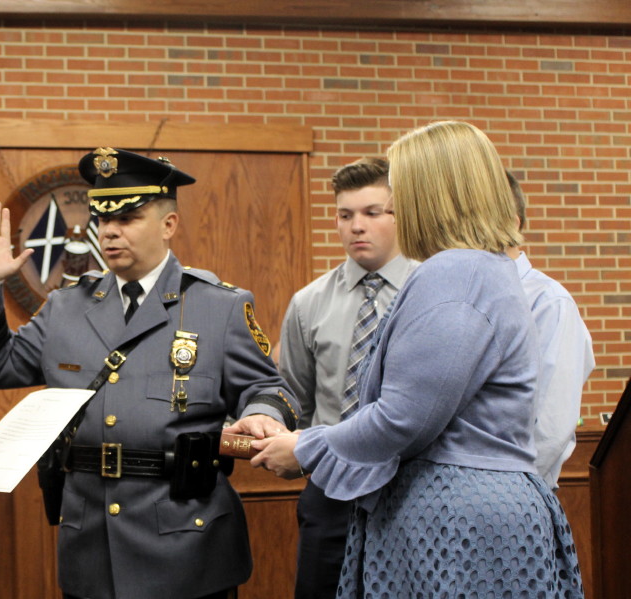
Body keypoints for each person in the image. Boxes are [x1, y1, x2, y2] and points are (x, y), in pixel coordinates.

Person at [230, 121, 583, 597]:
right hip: (464, 508)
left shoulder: (455, 272)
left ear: (427, 194)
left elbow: (404, 417)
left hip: (455, 517)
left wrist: (306, 448)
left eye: (395, 197)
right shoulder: (484, 266)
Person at [0, 148, 300, 599]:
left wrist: (263, 412)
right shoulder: (66, 307)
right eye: (102, 219)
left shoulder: (219, 306)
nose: (110, 231)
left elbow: (268, 386)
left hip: (187, 545)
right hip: (91, 546)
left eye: (128, 218)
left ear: (168, 225)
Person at [276, 157, 419, 599]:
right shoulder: (308, 303)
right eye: (345, 215)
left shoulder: (430, 289)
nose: (357, 226)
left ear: (403, 215)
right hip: (331, 491)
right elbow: (292, 397)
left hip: (412, 489)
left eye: (373, 213)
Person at [505, 171, 595, 489]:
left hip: (515, 495)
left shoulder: (549, 302)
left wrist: (503, 490)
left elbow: (551, 427)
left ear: (512, 223)